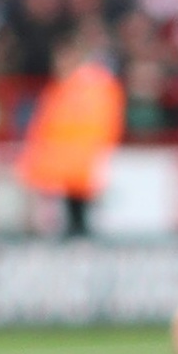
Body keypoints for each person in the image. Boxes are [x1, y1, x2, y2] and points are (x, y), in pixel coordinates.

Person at [16, 30, 124, 235]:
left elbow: (96, 129)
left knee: (79, 221)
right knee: (70, 221)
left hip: (76, 169)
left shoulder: (91, 87)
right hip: (65, 170)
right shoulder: (65, 87)